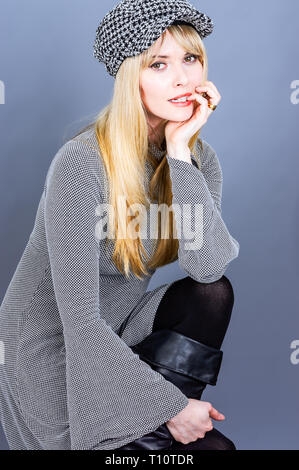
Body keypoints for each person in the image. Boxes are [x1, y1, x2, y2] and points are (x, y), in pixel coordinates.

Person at [0, 0, 240, 450]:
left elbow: (206, 269)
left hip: (117, 331)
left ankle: (154, 430)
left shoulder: (196, 158)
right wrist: (172, 406)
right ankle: (160, 424)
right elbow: (79, 323)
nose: (182, 78)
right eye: (159, 64)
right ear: (131, 76)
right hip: (52, 349)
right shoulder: (81, 162)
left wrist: (181, 154)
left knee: (212, 292)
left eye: (190, 59)